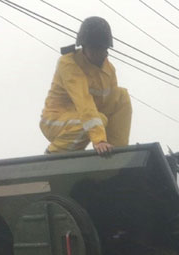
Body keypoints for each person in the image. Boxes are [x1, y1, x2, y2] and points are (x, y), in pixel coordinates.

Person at [40, 16, 132, 156]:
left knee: (122, 96)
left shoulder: (109, 70)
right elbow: (84, 102)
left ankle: (117, 156)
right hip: (54, 121)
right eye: (93, 48)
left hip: (87, 119)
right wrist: (99, 140)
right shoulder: (69, 63)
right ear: (83, 47)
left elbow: (107, 105)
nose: (97, 53)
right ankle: (52, 155)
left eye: (101, 48)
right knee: (98, 119)